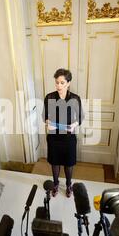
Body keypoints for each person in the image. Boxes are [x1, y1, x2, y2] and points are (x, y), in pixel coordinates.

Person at [43, 68, 83, 198]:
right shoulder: (49, 97)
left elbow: (81, 117)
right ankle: (55, 184)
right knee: (55, 163)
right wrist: (48, 122)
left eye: (62, 83)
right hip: (54, 137)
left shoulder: (75, 99)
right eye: (56, 82)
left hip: (69, 138)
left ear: (68, 83)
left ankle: (68, 185)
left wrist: (74, 125)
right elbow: (44, 116)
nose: (58, 86)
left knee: (68, 164)